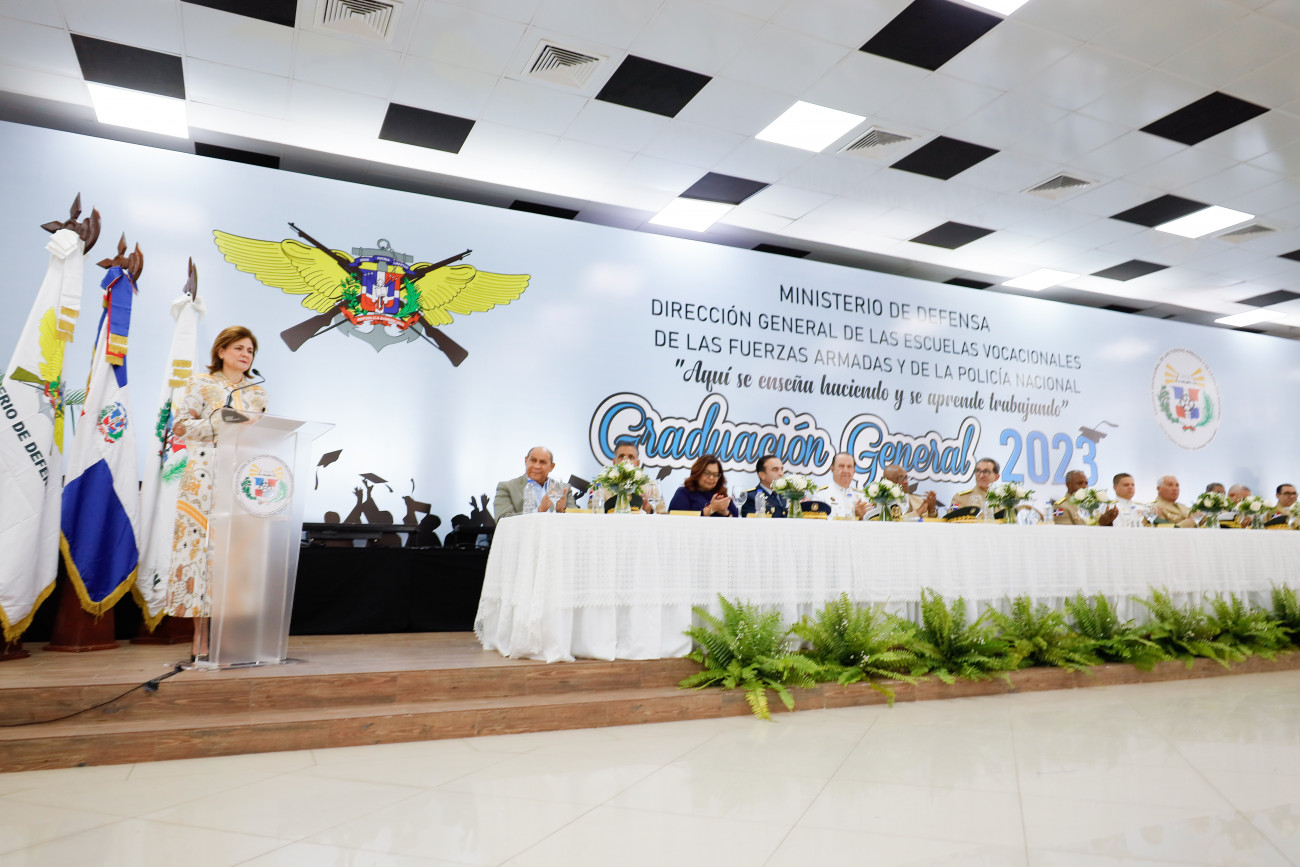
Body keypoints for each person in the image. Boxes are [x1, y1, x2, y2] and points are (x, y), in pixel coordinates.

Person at [165, 326, 268, 662]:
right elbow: (180, 427)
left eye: (250, 351)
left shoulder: (258, 393)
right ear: (221, 351)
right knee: (202, 557)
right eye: (239, 348)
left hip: (241, 479)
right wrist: (222, 422)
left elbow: (262, 434)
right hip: (203, 480)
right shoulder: (202, 383)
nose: (245, 355)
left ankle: (234, 635)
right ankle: (200, 636)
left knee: (235, 557)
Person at [493, 446, 578, 520]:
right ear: (526, 461)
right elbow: (502, 519)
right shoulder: (507, 487)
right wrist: (539, 510)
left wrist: (562, 511)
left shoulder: (563, 489)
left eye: (542, 462)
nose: (537, 466)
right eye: (533, 460)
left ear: (551, 467)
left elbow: (576, 519)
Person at [601, 442, 666, 514]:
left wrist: (649, 510)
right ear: (614, 462)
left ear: (638, 463)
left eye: (631, 457)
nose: (626, 461)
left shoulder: (651, 488)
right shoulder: (601, 488)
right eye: (621, 456)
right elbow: (593, 513)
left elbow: (663, 515)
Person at [668, 455, 737, 516]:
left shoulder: (722, 496)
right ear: (697, 472)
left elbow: (737, 521)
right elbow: (677, 519)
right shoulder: (684, 492)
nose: (711, 478)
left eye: (716, 474)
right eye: (707, 473)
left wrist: (725, 513)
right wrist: (712, 509)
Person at [823, 452, 867, 520]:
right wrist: (854, 516)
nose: (846, 470)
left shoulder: (862, 497)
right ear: (832, 468)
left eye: (849, 467)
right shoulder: (822, 495)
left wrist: (861, 517)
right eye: (841, 466)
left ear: (854, 470)